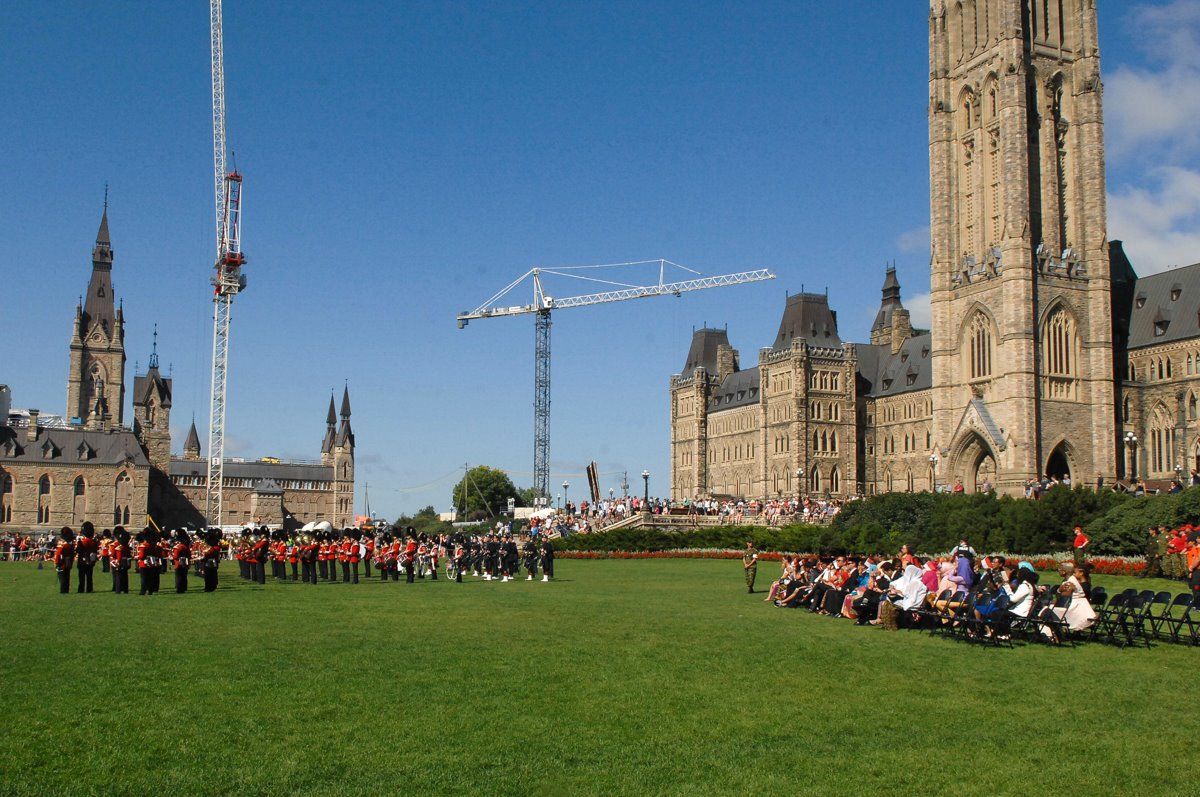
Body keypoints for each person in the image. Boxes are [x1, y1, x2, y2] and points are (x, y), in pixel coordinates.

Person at [75, 521, 98, 593]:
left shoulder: (82, 541)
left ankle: (81, 589)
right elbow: (95, 551)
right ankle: (89, 589)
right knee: (89, 576)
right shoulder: (93, 542)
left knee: (81, 577)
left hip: (82, 560)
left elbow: (78, 550)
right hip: (90, 560)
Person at [53, 527, 76, 595]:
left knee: (62, 577)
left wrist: (56, 563)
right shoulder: (70, 546)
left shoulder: (62, 546)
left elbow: (58, 555)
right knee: (67, 576)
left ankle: (63, 591)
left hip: (62, 563)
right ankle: (66, 590)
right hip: (68, 563)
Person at [111, 527, 131, 594]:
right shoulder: (126, 546)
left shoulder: (117, 545)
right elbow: (129, 554)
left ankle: (118, 590)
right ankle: (125, 589)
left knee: (118, 576)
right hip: (126, 562)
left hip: (119, 562)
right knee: (125, 576)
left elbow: (113, 554)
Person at [171, 529, 191, 594]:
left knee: (179, 576)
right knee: (184, 576)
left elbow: (175, 556)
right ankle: (184, 588)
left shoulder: (178, 547)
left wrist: (172, 557)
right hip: (185, 562)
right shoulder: (186, 546)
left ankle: (179, 589)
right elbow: (189, 555)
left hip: (178, 563)